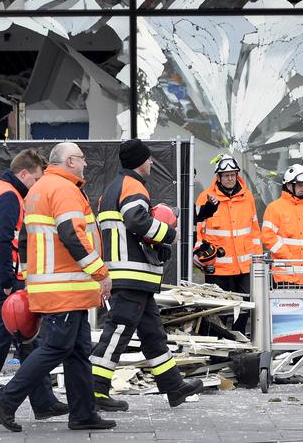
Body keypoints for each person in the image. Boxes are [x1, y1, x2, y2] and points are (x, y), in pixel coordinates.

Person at [0, 142, 117, 432]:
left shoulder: (38, 190)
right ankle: (6, 399)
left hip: (57, 287)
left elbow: (23, 240)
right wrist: (100, 273)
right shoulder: (65, 189)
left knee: (78, 351)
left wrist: (28, 281)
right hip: (66, 288)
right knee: (58, 347)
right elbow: (71, 234)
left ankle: (83, 414)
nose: (85, 164)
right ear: (70, 161)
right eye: (82, 159)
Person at [90, 139, 203, 412]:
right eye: (149, 159)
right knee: (117, 332)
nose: (152, 162)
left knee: (153, 335)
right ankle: (95, 389)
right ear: (140, 161)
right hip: (132, 275)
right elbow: (137, 221)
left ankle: (173, 386)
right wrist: (170, 235)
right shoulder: (132, 186)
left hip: (131, 275)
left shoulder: (112, 188)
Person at [0, 149, 67, 424]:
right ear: (24, 174)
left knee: (27, 340)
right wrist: (11, 284)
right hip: (4, 280)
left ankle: (44, 401)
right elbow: (2, 242)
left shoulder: (5, 191)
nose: (37, 185)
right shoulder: (11, 196)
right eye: (36, 179)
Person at [193, 154, 262, 333]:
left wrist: (258, 257)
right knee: (219, 309)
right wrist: (197, 253)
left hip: (244, 267)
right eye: (226, 175)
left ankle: (238, 338)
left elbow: (254, 229)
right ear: (219, 177)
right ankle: (220, 343)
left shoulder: (247, 197)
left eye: (233, 174)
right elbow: (198, 229)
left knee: (245, 306)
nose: (230, 178)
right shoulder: (205, 198)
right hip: (218, 267)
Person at [261, 164, 303, 287]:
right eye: (300, 185)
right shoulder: (275, 208)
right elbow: (267, 236)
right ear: (289, 185)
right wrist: (287, 256)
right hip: (282, 277)